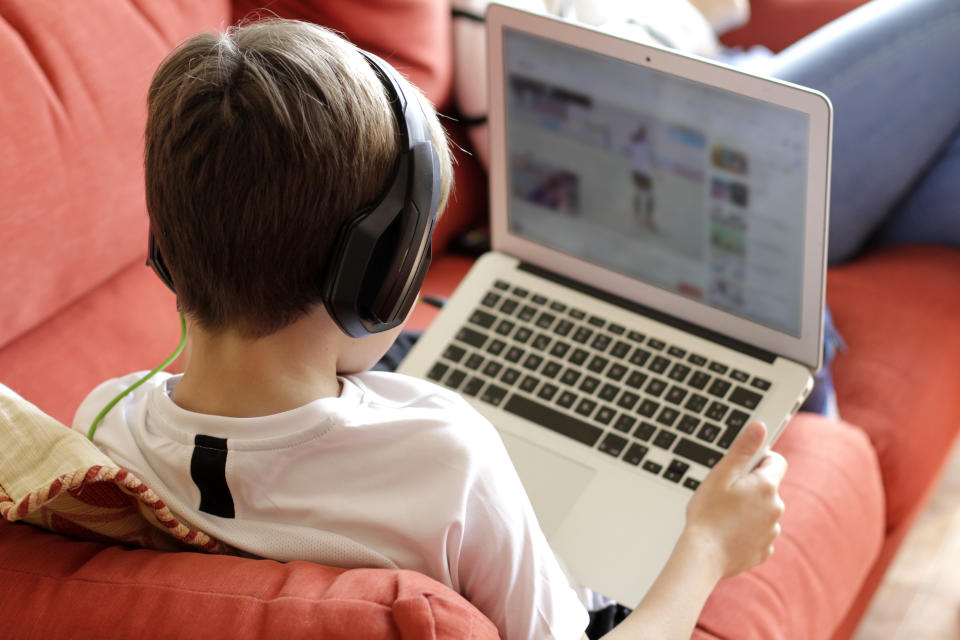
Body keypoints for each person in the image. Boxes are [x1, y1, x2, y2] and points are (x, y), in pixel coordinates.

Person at [72, 18, 786, 640]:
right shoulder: (445, 457)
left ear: (167, 245)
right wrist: (710, 548)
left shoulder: (107, 428)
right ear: (379, 277)